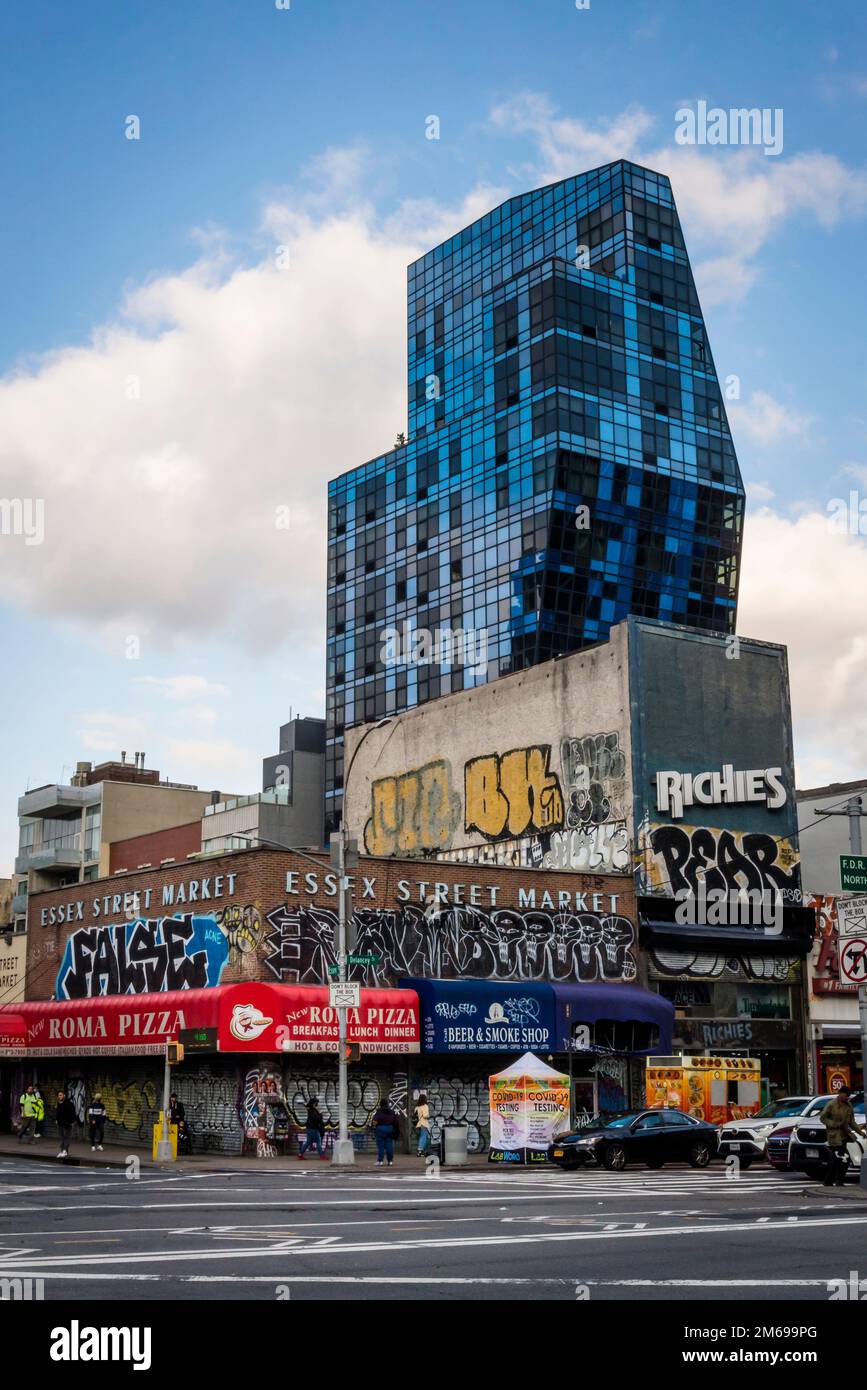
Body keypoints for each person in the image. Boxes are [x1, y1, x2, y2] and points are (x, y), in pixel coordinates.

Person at [820, 1086, 865, 1186]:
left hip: (844, 1136)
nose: (846, 1098)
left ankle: (835, 1180)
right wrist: (833, 1124)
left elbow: (851, 1122)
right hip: (834, 1136)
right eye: (845, 1096)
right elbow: (823, 1118)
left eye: (848, 1097)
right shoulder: (831, 1104)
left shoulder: (848, 1105)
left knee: (840, 1159)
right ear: (840, 1094)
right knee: (841, 1158)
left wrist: (860, 1132)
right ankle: (833, 1181)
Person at [372, 1102, 400, 1167]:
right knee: (389, 1145)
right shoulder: (391, 1112)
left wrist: (374, 1126)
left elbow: (375, 1121)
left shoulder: (379, 1112)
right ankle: (390, 1161)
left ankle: (380, 1161)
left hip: (381, 1129)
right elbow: (395, 1121)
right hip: (390, 1129)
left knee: (381, 1146)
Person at [56, 1090, 76, 1159]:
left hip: (67, 1123)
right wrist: (57, 1120)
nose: (59, 1096)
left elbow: (72, 1113)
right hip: (60, 1123)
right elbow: (58, 1113)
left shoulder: (69, 1104)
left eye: (61, 1095)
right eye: (59, 1095)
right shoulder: (59, 1103)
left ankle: (64, 1151)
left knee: (67, 1137)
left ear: (64, 1095)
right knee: (62, 1138)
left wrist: (70, 1122)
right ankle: (63, 1151)